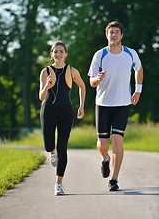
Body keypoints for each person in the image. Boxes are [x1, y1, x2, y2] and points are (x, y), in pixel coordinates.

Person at [88, 21, 143, 191]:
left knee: (118, 140)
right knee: (103, 143)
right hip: (103, 103)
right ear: (107, 35)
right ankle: (105, 159)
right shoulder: (100, 55)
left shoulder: (130, 53)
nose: (114, 35)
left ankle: (114, 179)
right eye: (111, 32)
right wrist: (98, 79)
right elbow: (91, 82)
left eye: (117, 32)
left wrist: (138, 90)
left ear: (121, 35)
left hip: (122, 103)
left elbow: (139, 70)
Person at [39, 41, 86, 196]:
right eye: (55, 51)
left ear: (66, 54)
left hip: (66, 111)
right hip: (48, 110)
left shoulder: (72, 71)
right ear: (51, 54)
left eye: (61, 51)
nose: (58, 54)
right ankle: (52, 152)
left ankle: (58, 184)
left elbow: (82, 86)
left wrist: (81, 106)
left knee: (63, 148)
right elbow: (41, 97)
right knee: (48, 145)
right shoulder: (45, 72)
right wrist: (47, 85)